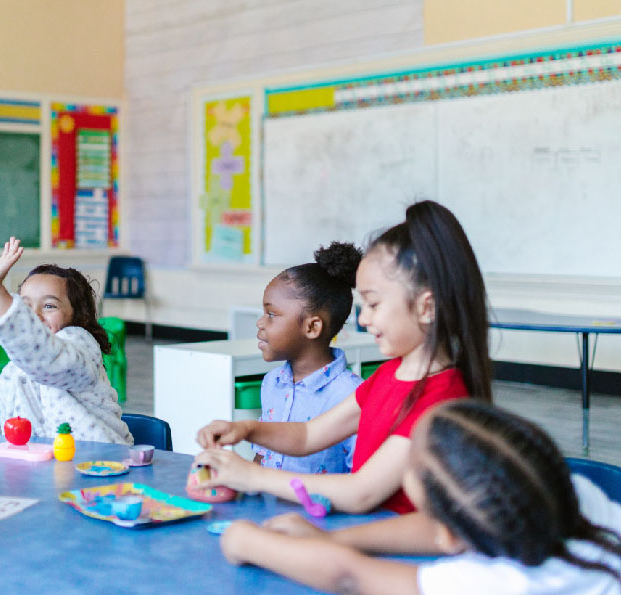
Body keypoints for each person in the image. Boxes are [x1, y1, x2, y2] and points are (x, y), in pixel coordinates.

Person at [195, 200, 491, 513]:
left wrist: (253, 477)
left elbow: (360, 492)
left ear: (426, 307)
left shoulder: (440, 401)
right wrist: (245, 430)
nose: (363, 320)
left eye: (374, 305)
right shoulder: (389, 375)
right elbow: (309, 435)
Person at [219, 400, 621, 595]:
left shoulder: (494, 584)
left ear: (450, 537)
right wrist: (332, 538)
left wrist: (245, 539)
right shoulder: (566, 492)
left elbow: (349, 576)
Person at [0, 237, 132, 445]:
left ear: (79, 314)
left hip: (100, 462)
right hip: (47, 465)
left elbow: (47, 361)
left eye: (49, 306)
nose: (35, 315)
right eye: (25, 306)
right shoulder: (14, 369)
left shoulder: (80, 345)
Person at [250, 241, 363, 474]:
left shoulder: (351, 396)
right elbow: (263, 456)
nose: (261, 323)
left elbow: (361, 479)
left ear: (312, 327)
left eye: (271, 314)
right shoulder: (272, 383)